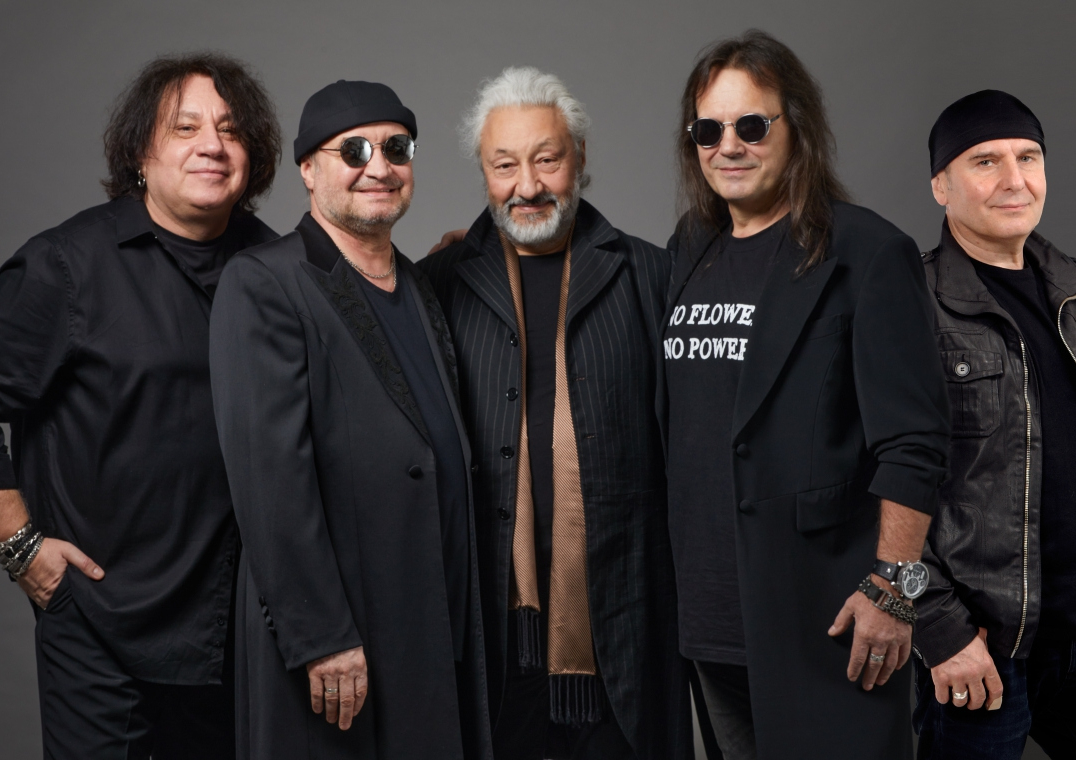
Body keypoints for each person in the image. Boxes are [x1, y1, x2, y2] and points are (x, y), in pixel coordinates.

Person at [0, 53, 281, 758]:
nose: (212, 145)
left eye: (230, 130)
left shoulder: (277, 267)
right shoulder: (68, 264)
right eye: (185, 127)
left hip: (237, 635)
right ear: (140, 152)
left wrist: (452, 264)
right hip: (98, 625)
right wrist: (20, 549)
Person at [657, 30, 951, 759]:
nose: (729, 146)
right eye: (708, 130)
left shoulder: (867, 252)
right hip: (707, 620)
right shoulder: (690, 246)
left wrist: (895, 591)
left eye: (752, 126)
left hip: (829, 619)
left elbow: (915, 444)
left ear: (797, 128)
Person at [209, 80, 491, 760]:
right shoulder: (265, 282)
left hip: (431, 623)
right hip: (339, 642)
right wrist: (321, 637)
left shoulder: (418, 284)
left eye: (397, 149)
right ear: (309, 169)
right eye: (355, 150)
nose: (379, 166)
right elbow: (269, 480)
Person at [419, 67, 690, 760]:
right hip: (492, 630)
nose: (528, 185)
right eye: (504, 165)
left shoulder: (651, 275)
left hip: (624, 625)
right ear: (483, 172)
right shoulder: (436, 285)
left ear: (580, 158)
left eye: (547, 159)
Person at [912, 90, 1076, 759]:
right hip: (982, 651)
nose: (1014, 179)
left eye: (1028, 157)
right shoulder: (909, 303)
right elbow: (873, 488)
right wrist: (937, 629)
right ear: (941, 186)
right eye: (985, 161)